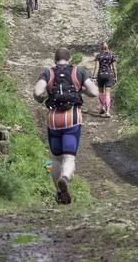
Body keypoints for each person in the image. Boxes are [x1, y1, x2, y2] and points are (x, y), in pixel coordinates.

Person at [34, 47, 98, 205]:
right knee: (69, 157)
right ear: (69, 59)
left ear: (55, 59)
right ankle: (65, 178)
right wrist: (81, 91)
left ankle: (59, 192)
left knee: (55, 159)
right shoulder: (79, 71)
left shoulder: (48, 73)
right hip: (72, 118)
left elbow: (37, 92)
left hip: (54, 119)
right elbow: (94, 92)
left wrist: (42, 98)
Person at [93, 42, 117, 116]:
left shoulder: (98, 56)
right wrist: (115, 76)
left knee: (101, 93)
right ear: (108, 47)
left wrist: (93, 77)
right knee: (108, 94)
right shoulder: (111, 56)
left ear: (101, 48)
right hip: (108, 75)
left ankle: (102, 107)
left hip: (100, 75)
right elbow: (114, 68)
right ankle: (107, 112)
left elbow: (96, 67)